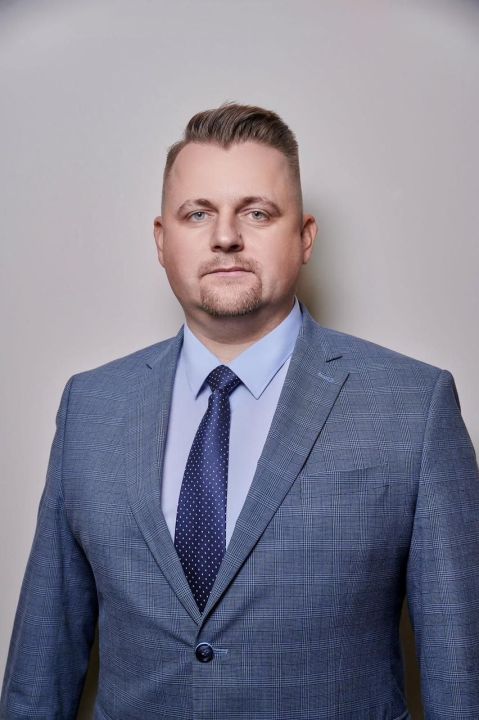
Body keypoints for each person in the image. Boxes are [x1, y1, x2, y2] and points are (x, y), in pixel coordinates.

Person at [1, 103, 478, 720]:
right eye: (197, 214)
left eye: (257, 212)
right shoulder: (91, 406)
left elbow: (461, 676)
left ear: (304, 237)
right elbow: (41, 669)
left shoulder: (412, 406)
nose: (225, 236)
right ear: (162, 239)